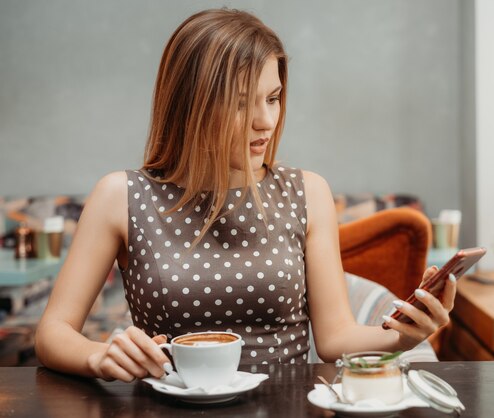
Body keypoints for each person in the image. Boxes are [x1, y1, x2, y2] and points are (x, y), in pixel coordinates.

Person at [34, 8, 456, 382]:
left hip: (287, 407)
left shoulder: (308, 191)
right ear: (190, 105)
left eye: (272, 98)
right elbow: (52, 332)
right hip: (169, 406)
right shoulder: (120, 196)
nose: (265, 120)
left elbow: (335, 338)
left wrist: (401, 335)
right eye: (240, 103)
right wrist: (99, 357)